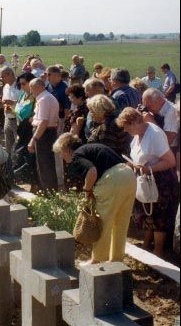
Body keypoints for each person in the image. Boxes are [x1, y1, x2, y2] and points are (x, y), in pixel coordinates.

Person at [52, 133, 136, 264]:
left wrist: (87, 191)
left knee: (103, 222)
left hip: (113, 180)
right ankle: (116, 259)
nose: (61, 156)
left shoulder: (76, 156)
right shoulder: (91, 148)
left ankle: (98, 260)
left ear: (66, 148)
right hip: (129, 176)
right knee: (121, 222)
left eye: (60, 153)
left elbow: (92, 171)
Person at [117, 108, 179, 256]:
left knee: (159, 217)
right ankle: (146, 244)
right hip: (147, 178)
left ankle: (158, 251)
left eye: (127, 127)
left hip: (160, 180)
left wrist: (148, 168)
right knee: (148, 213)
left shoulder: (155, 135)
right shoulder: (138, 134)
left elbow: (170, 161)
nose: (125, 130)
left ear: (136, 122)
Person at [27, 78, 59, 192]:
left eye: (32, 88)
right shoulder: (45, 97)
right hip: (47, 132)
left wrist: (33, 140)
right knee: (45, 163)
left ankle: (47, 192)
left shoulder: (44, 99)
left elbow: (44, 122)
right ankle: (46, 190)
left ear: (39, 87)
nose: (31, 91)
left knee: (44, 164)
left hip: (44, 134)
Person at [12, 73, 38, 189]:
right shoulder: (22, 95)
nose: (21, 86)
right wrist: (12, 110)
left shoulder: (36, 98)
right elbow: (20, 111)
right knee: (19, 156)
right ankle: (21, 181)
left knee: (30, 158)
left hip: (31, 131)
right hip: (21, 129)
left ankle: (34, 185)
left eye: (24, 84)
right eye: (20, 84)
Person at [0, 66, 23, 156]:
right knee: (8, 144)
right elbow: (4, 100)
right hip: (7, 118)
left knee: (18, 143)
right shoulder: (5, 86)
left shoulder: (20, 86)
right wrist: (3, 104)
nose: (2, 79)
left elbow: (26, 102)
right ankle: (9, 164)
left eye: (3, 76)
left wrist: (12, 103)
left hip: (18, 119)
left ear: (10, 75)